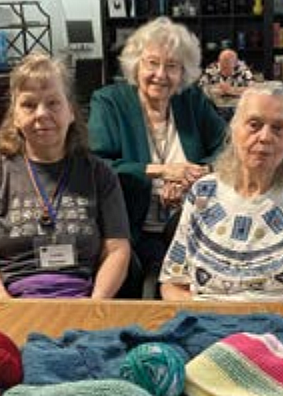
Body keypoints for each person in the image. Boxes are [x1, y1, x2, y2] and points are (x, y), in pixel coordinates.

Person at [159, 81, 283, 303]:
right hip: (208, 328)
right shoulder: (203, 193)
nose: (265, 137)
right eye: (254, 124)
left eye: (278, 128)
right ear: (233, 130)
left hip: (281, 332)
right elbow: (173, 284)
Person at [0, 53, 131, 299]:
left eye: (53, 103)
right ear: (15, 116)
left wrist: (96, 304)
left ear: (70, 112)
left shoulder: (99, 173)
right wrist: (6, 308)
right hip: (12, 302)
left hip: (85, 301)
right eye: (29, 105)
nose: (41, 114)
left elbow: (117, 250)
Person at [88, 16, 227, 278]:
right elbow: (97, 164)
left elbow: (229, 146)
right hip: (133, 230)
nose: (161, 75)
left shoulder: (190, 99)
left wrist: (196, 175)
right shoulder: (109, 102)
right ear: (135, 64)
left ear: (183, 72)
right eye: (152, 63)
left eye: (172, 66)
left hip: (197, 224)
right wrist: (162, 171)